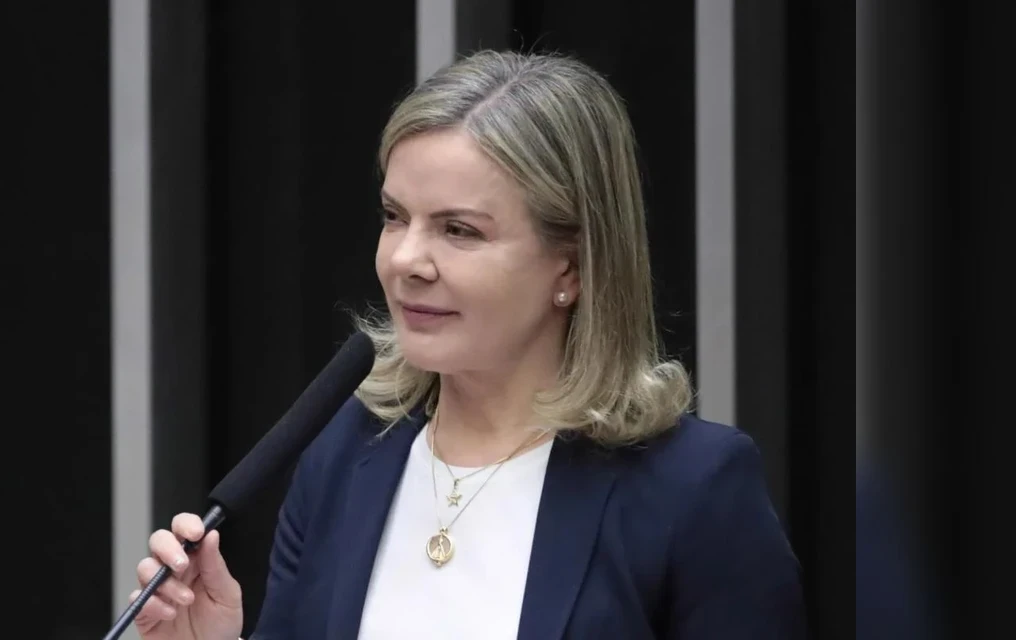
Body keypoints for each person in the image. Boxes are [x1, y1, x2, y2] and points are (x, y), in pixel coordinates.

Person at [129, 49, 806, 639]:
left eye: (459, 231)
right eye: (395, 217)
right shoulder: (343, 456)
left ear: (571, 266)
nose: (406, 260)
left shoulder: (693, 489)